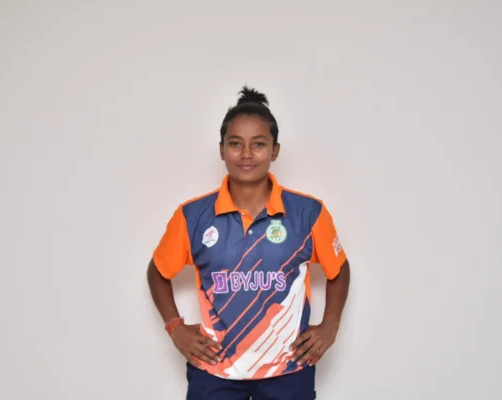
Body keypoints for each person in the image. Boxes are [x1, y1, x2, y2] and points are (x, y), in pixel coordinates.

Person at [146, 86, 351, 400]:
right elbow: (158, 271)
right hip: (215, 369)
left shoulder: (308, 213)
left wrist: (330, 326)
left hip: (288, 368)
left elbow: (339, 269)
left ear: (275, 150)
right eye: (235, 143)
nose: (246, 154)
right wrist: (175, 327)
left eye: (258, 144)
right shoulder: (192, 216)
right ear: (221, 150)